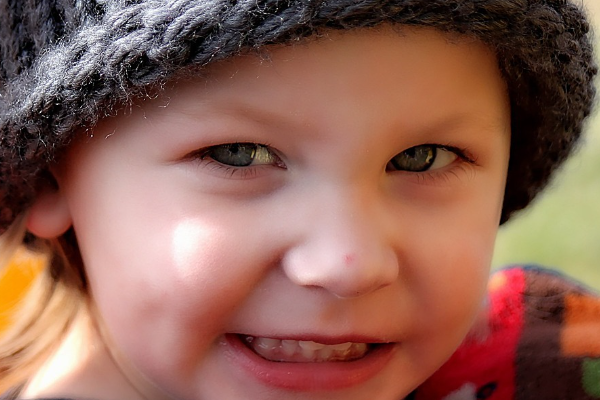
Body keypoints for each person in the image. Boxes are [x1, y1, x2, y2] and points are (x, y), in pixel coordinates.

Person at [0, 1, 596, 399]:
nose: (349, 265)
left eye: (423, 157)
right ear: (49, 176)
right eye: (239, 155)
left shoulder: (546, 366)